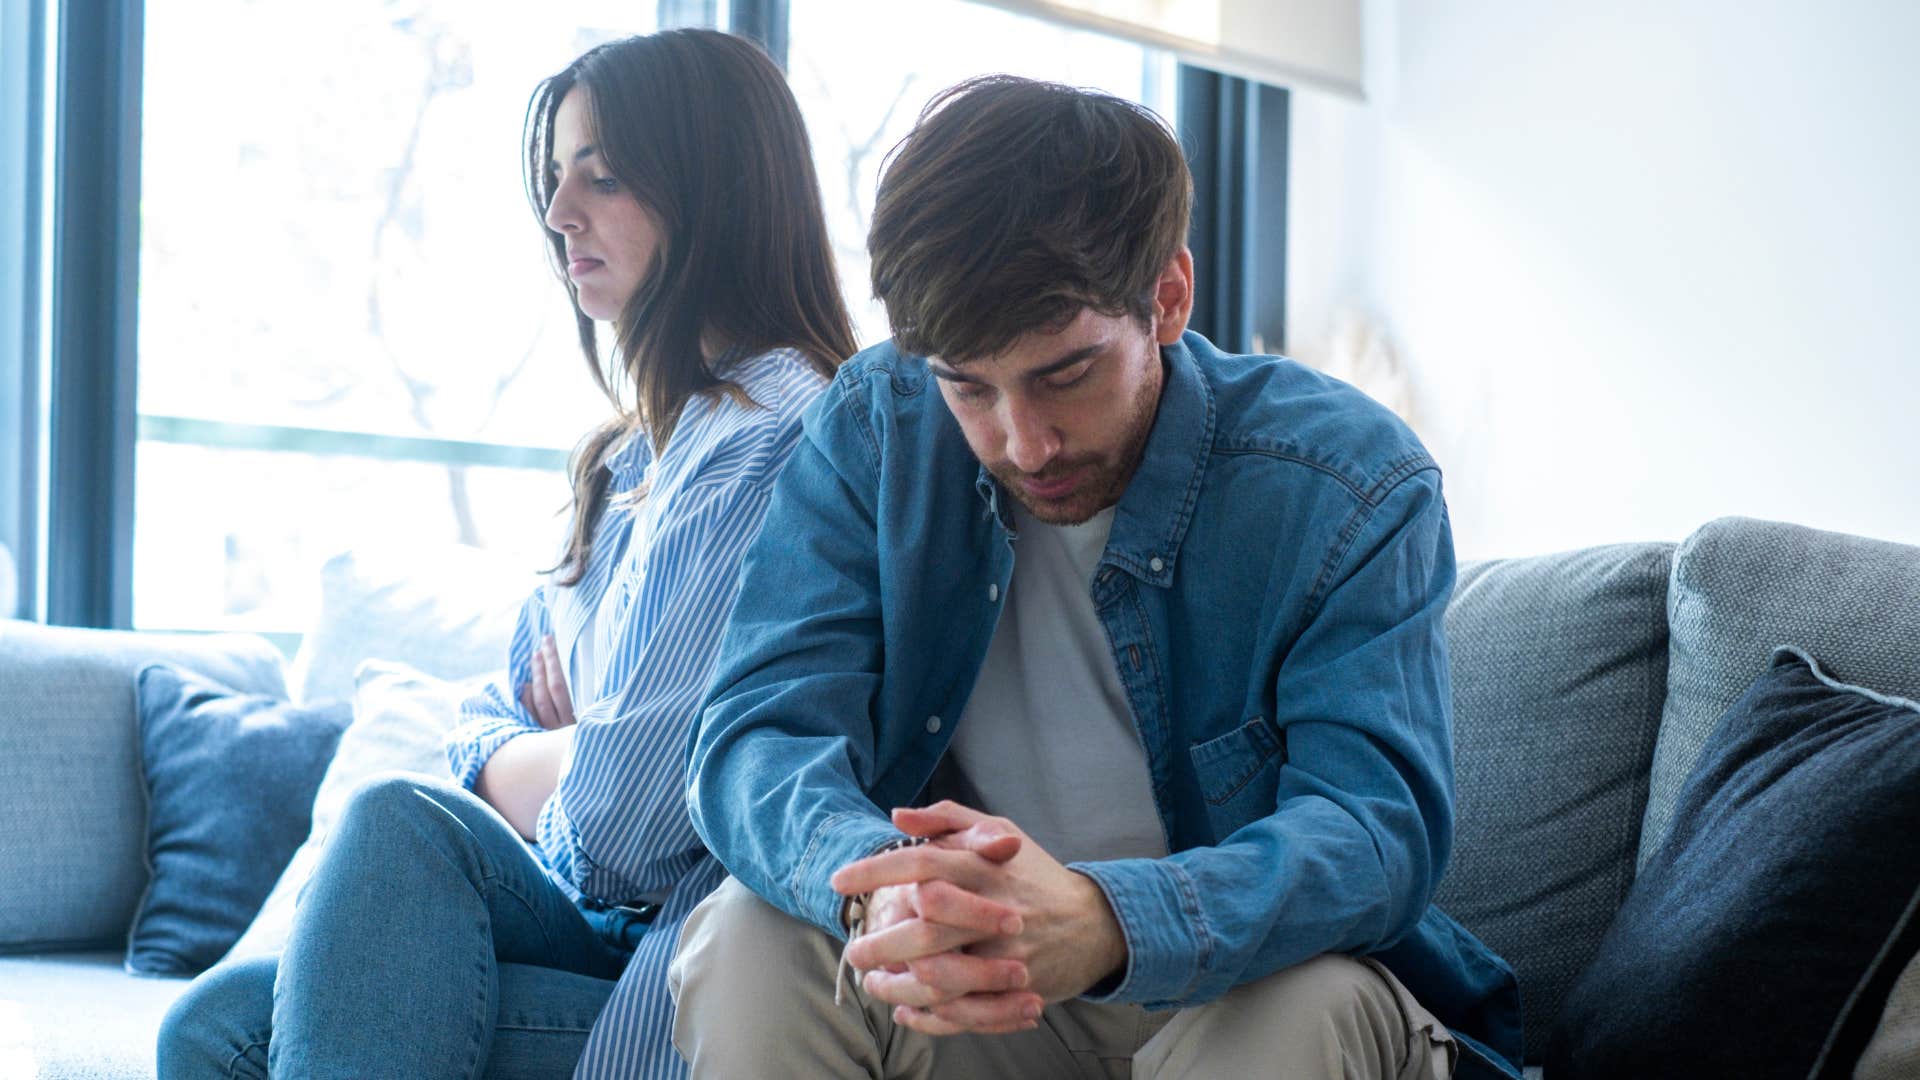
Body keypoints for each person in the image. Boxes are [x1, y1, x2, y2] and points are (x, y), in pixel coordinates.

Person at [670, 75, 1524, 1079]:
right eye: (968, 387)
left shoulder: (1349, 483)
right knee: (751, 937)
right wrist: (881, 889)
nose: (1023, 444)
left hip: (1244, 986)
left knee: (1305, 1006)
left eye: (1063, 375)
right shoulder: (876, 429)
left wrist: (1108, 920)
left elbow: (1377, 833)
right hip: (995, 994)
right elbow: (756, 735)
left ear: (1167, 297)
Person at [157, 29, 855, 1080]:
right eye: (555, 176)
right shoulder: (630, 461)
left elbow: (626, 830)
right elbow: (488, 709)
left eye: (603, 177)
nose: (559, 212)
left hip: (686, 961)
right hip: (589, 918)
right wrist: (546, 746)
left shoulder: (769, 440)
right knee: (211, 1026)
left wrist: (570, 752)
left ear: (715, 196)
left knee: (403, 828)